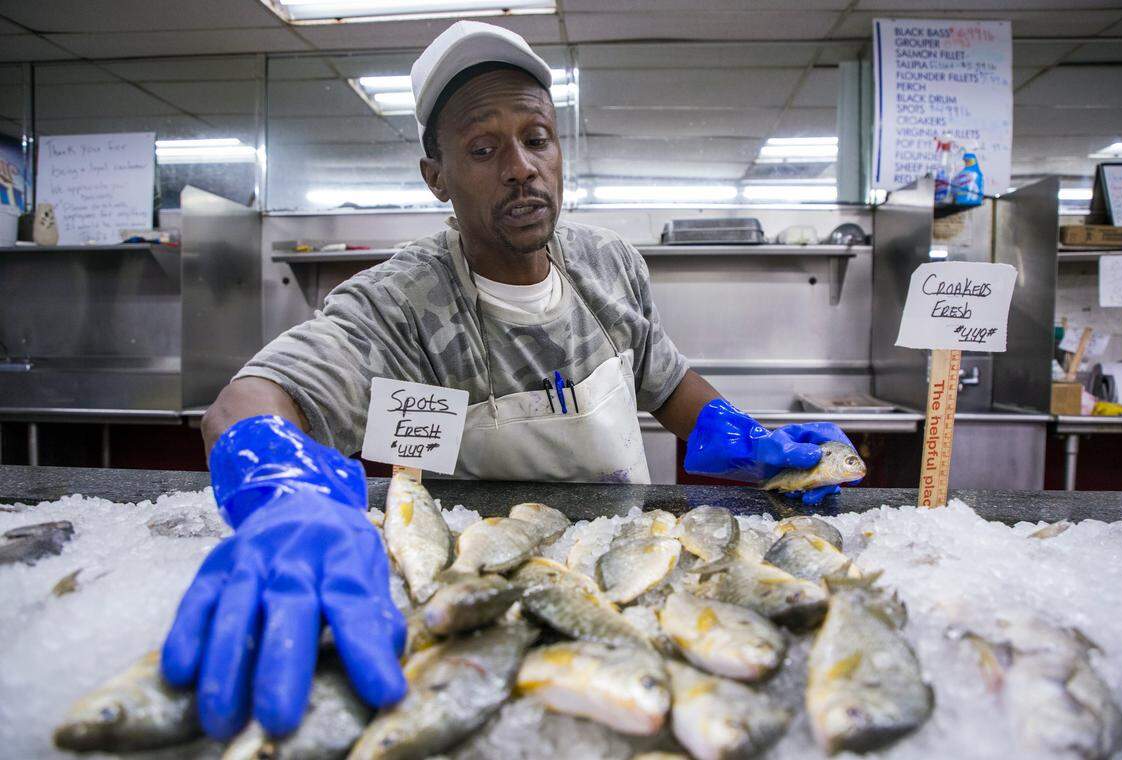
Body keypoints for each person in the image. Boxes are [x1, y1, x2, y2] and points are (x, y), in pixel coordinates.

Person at [162, 21, 860, 740]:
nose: (521, 167)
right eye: (483, 148)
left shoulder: (610, 267)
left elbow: (667, 380)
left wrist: (745, 440)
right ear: (436, 176)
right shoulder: (401, 302)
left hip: (633, 572)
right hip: (488, 596)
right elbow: (249, 399)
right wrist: (287, 493)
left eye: (537, 138)